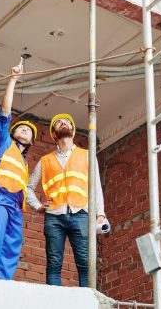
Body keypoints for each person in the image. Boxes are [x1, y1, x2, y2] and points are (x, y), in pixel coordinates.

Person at [27, 113, 106, 287]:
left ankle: (87, 303)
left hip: (81, 214)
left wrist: (100, 213)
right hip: (54, 216)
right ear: (54, 133)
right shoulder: (45, 161)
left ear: (72, 130)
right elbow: (28, 188)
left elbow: (96, 185)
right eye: (58, 123)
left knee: (85, 264)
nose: (63, 124)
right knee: (54, 264)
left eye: (67, 122)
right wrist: (38, 206)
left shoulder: (86, 155)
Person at [0, 60, 37, 279]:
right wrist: (13, 80)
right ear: (12, 133)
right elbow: (5, 111)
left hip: (14, 208)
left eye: (28, 131)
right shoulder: (4, 143)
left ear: (30, 142)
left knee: (11, 248)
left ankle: (1, 289)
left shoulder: (24, 162)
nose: (24, 130)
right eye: (20, 128)